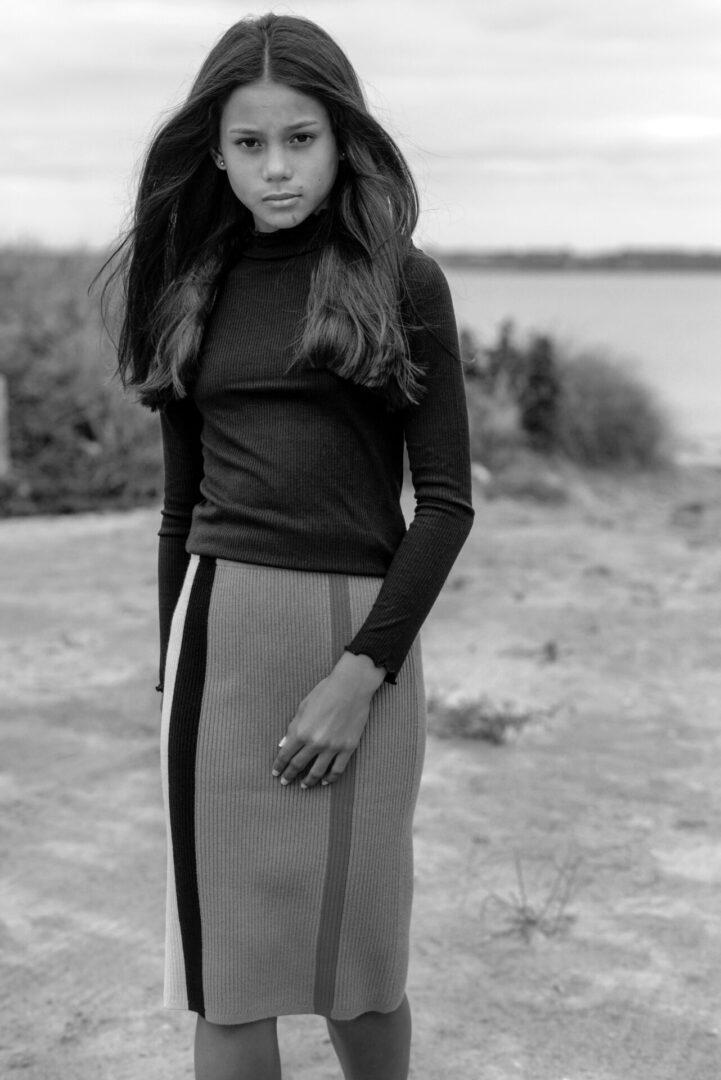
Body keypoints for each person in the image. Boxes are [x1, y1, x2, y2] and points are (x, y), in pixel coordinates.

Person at [106, 13, 474, 1080]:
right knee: (230, 979)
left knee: (363, 970)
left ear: (342, 137)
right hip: (217, 641)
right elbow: (181, 512)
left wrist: (363, 672)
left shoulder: (403, 283)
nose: (276, 167)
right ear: (213, 153)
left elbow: (444, 503)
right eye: (251, 143)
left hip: (364, 647)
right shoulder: (188, 289)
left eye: (300, 138)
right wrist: (167, 671)